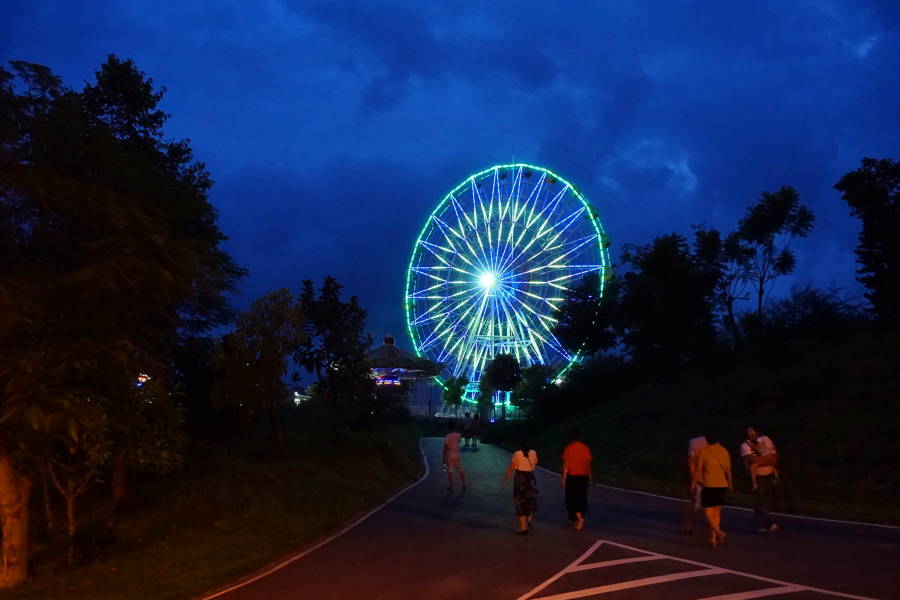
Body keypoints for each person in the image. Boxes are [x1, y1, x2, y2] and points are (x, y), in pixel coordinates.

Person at [692, 434, 732, 548]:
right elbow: (728, 469)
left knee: (708, 512)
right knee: (717, 512)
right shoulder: (724, 451)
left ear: (706, 440)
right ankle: (713, 539)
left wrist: (693, 483)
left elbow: (699, 469)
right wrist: (730, 483)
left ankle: (718, 532)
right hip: (722, 485)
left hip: (709, 484)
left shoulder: (703, 452)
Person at [741, 427, 779, 534]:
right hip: (758, 476)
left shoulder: (763, 442)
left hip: (768, 475)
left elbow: (772, 459)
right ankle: (770, 523)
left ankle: (761, 524)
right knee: (760, 502)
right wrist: (766, 461)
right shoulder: (745, 445)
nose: (752, 434)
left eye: (753, 432)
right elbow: (752, 460)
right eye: (749, 433)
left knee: (763, 502)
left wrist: (768, 462)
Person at [502, 439, 539, 535]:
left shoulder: (517, 454)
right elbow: (536, 462)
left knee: (520, 502)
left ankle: (523, 528)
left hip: (520, 480)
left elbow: (510, 469)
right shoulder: (534, 452)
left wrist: (505, 482)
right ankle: (530, 518)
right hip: (530, 479)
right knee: (529, 499)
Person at [561, 428, 592, 531]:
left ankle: (576, 518)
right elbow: (587, 465)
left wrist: (563, 479)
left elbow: (566, 465)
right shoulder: (586, 448)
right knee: (581, 498)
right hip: (583, 477)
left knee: (571, 498)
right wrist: (590, 478)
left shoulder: (569, 448)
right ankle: (580, 518)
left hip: (572, 476)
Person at [681, 435, 708, 535]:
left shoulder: (694, 442)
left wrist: (694, 478)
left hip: (699, 476)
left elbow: (691, 460)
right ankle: (714, 532)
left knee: (693, 502)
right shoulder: (716, 445)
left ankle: (688, 526)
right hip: (712, 477)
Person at [443, 420, 467, 491]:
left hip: (449, 456)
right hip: (457, 456)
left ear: (447, 427)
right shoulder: (458, 435)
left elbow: (445, 449)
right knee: (460, 470)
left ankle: (452, 486)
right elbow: (458, 441)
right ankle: (464, 484)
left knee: (450, 471)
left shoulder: (447, 437)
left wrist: (443, 459)